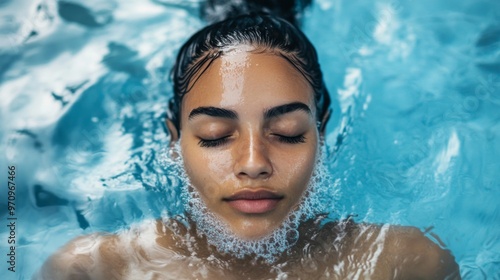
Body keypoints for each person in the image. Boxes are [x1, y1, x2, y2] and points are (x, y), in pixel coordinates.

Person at [37, 0, 461, 279]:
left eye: (288, 133)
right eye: (215, 136)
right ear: (174, 140)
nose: (254, 162)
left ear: (322, 133)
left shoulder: (406, 263)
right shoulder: (93, 270)